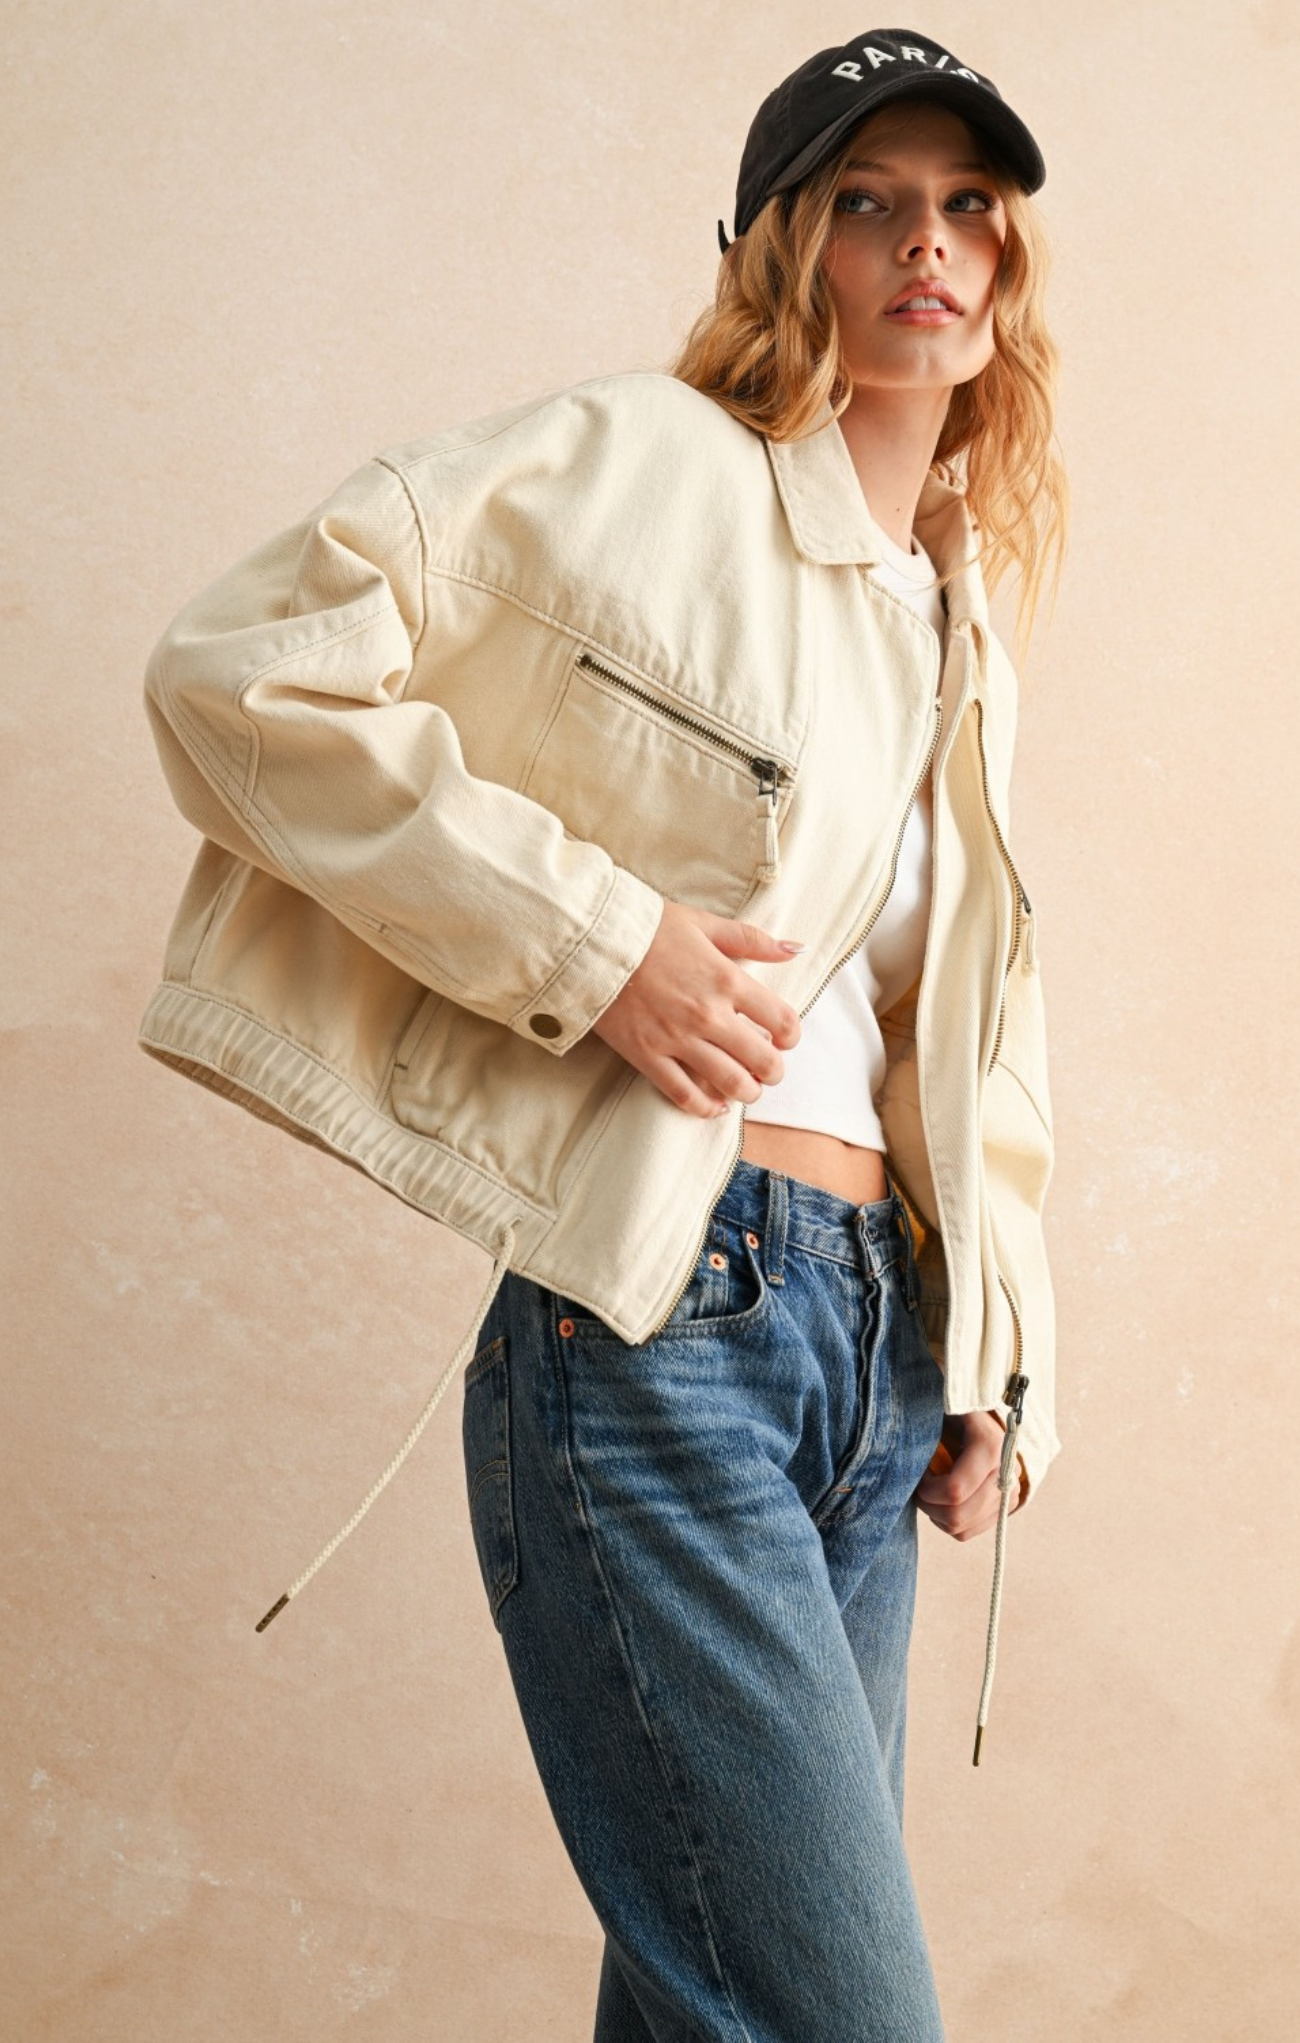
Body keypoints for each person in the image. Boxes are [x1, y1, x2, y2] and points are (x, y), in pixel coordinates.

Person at [138, 26, 1065, 2040]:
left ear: (1007, 268)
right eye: (868, 201)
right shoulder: (645, 471)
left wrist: (991, 1347)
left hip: (871, 1356)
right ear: (776, 249)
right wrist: (600, 941)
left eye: (970, 206)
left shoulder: (953, 614)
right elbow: (237, 675)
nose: (930, 244)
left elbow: (964, 1031)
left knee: (697, 2003)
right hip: (665, 1335)